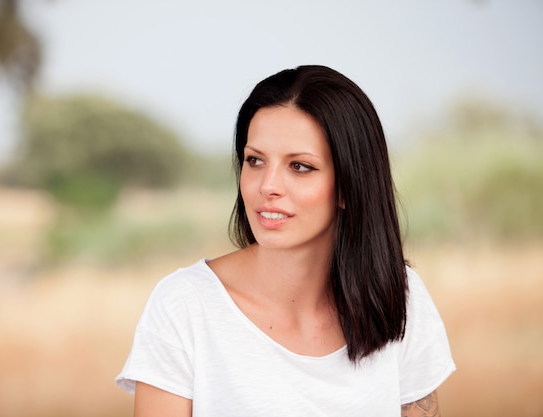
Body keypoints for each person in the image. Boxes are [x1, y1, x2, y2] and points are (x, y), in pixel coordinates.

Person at [115, 65, 455, 416]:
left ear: (349, 186)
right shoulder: (184, 307)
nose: (267, 186)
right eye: (255, 160)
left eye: (300, 166)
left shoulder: (398, 298)